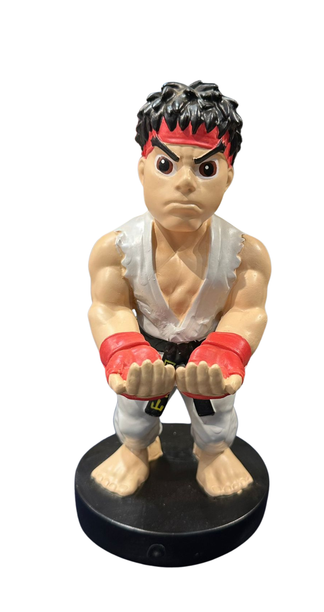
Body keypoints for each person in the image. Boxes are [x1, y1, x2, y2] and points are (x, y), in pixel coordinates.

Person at [88, 81, 271, 497]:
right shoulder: (115, 251)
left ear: (228, 177)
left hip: (206, 353)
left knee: (215, 414)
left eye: (206, 169)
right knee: (135, 409)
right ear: (142, 169)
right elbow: (108, 307)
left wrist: (225, 350)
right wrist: (126, 351)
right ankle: (136, 449)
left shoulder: (246, 255)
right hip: (147, 348)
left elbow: (248, 310)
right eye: (166, 165)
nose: (185, 183)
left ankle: (213, 452)